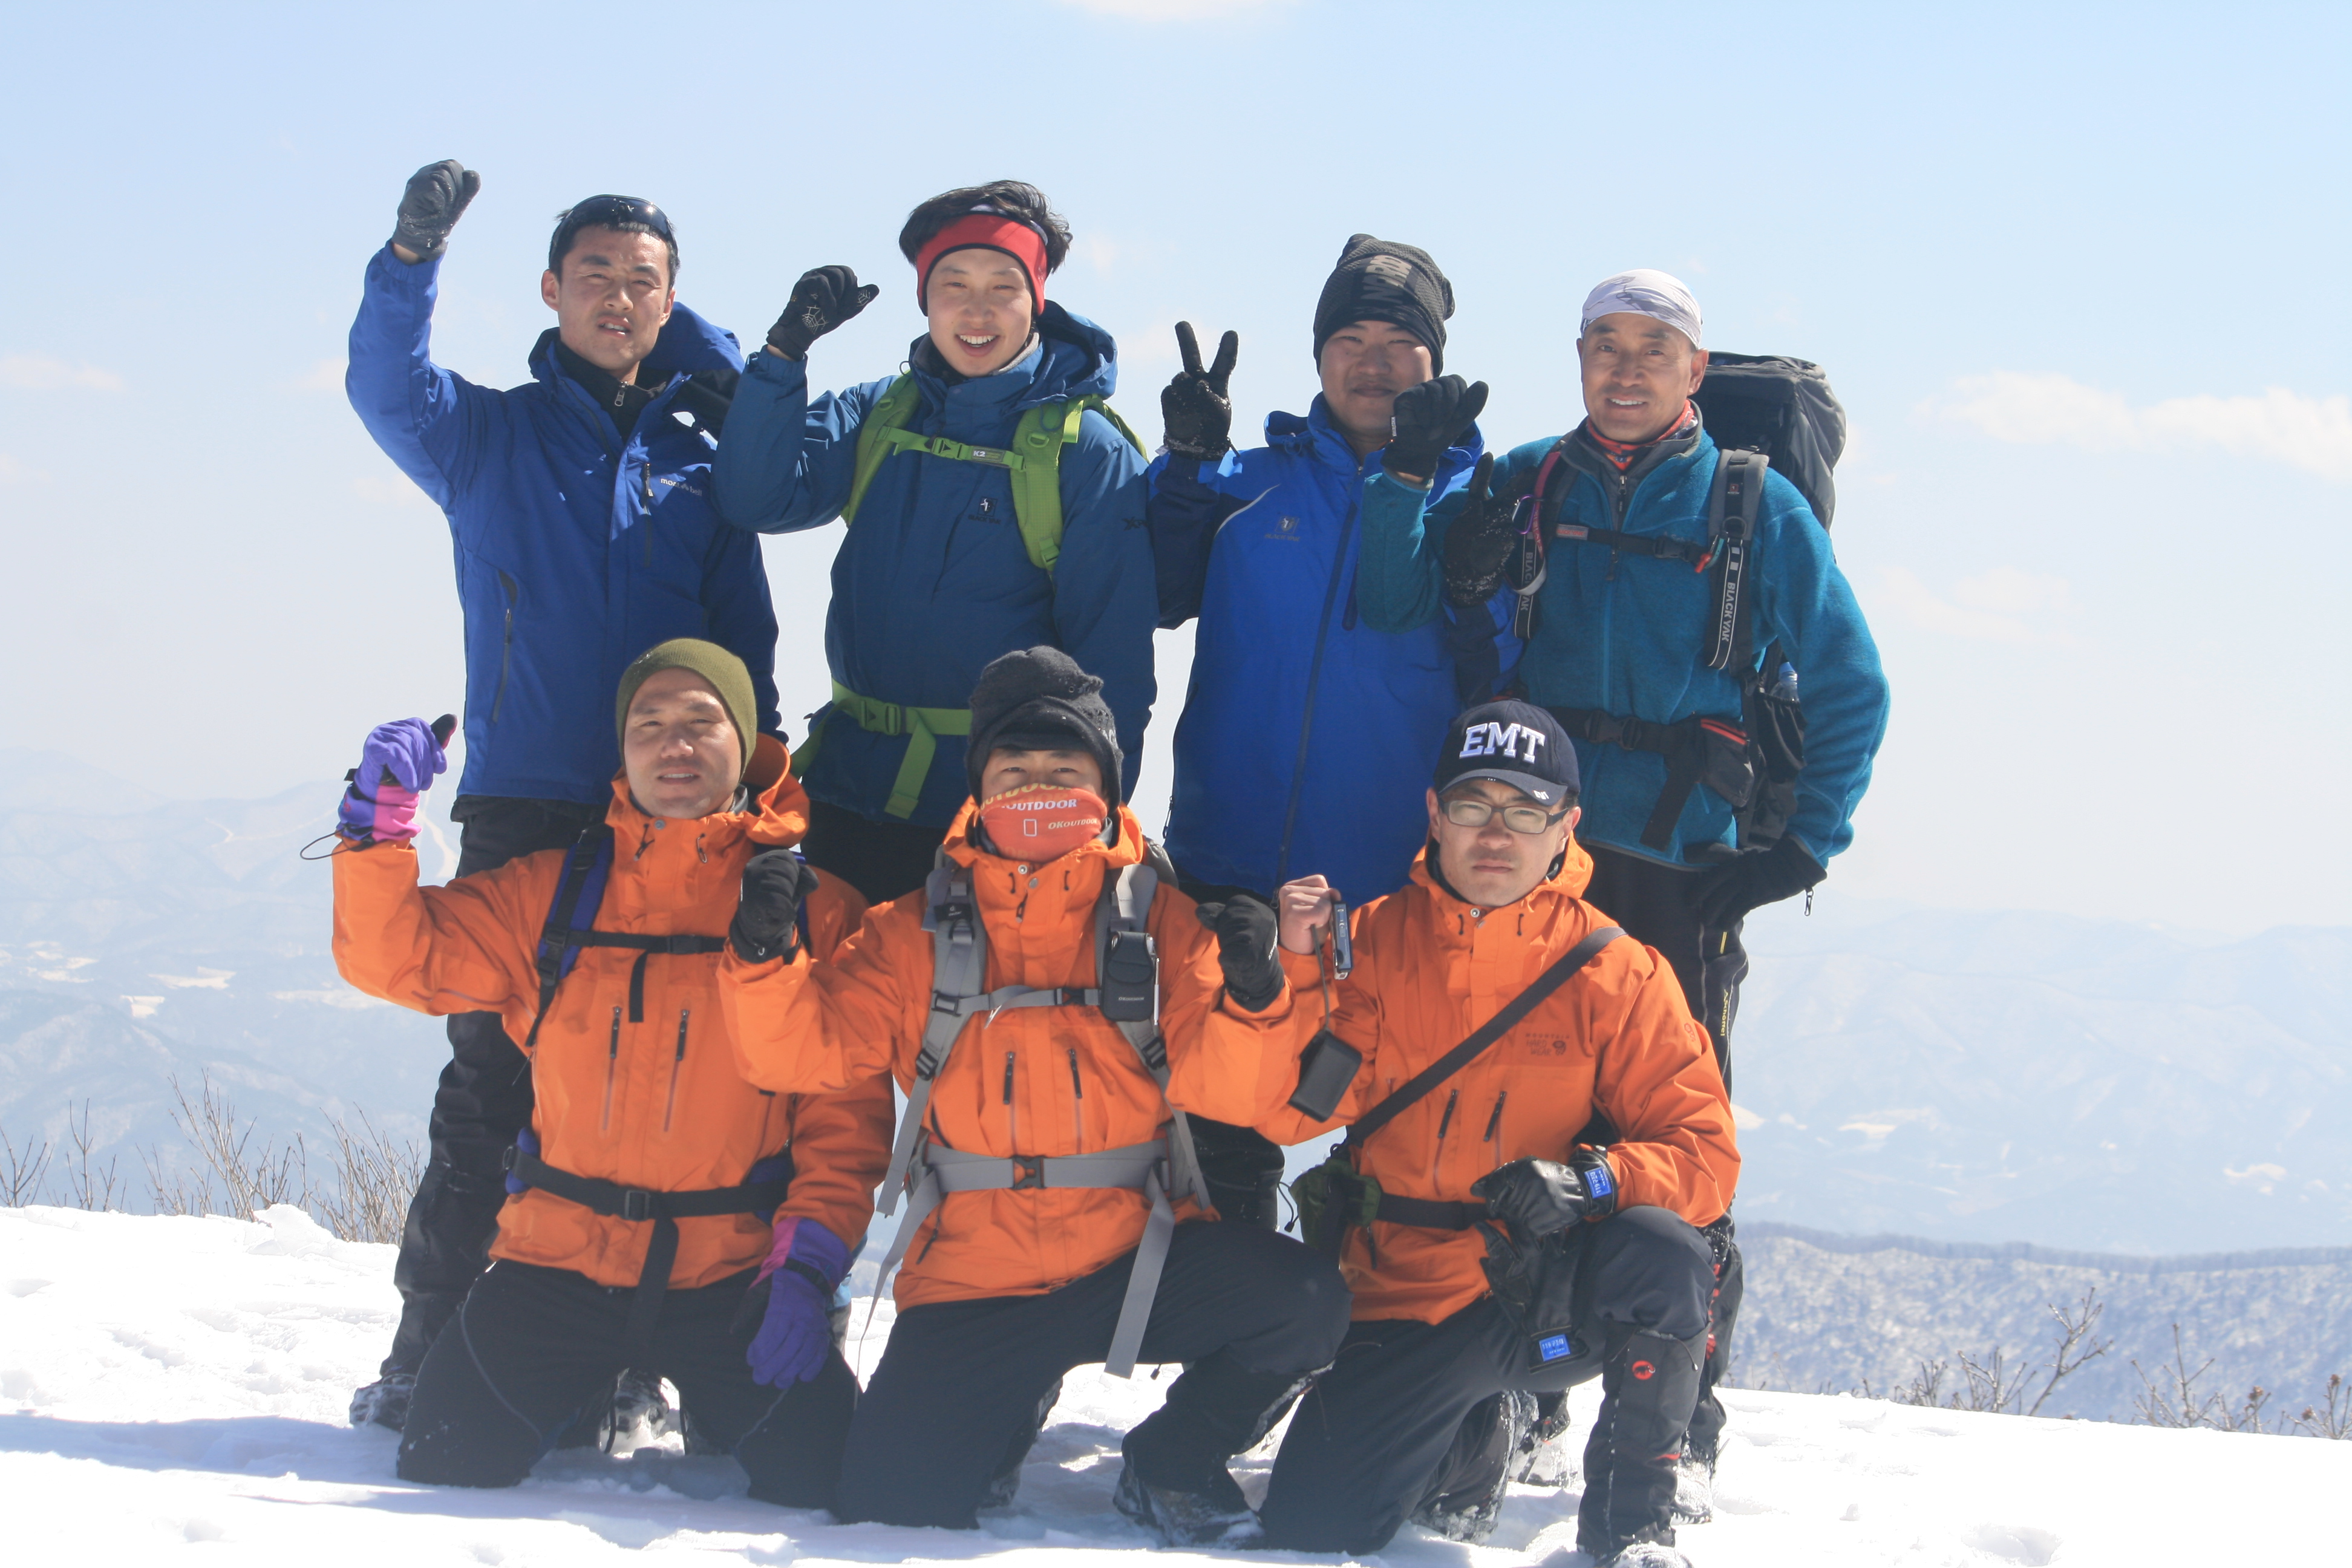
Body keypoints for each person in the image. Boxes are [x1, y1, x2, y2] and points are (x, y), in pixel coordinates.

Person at [1356, 269, 1890, 1511]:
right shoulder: (1531, 480)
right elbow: (1397, 600)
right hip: (1531, 865)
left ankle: (1677, 1424)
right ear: (1579, 357)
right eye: (1606, 344)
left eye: (1655, 347)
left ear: (1695, 370)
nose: (1628, 366)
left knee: (1675, 1135)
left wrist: (1798, 850)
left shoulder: (1752, 505)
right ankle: (1531, 1387)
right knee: (1523, 1124)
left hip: (1681, 871)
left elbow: (1851, 684)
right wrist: (1421, 506)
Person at [718, 647, 1350, 1543]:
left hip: (1138, 1257)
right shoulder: (906, 932)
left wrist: (1258, 997)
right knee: (889, 1511)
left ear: (1107, 788)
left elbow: (1235, 1093)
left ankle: (1174, 1459)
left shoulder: (1164, 921)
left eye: (1065, 772)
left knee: (1309, 1302)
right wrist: (761, 955)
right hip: (974, 1281)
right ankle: (1008, 1407)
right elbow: (800, 1054)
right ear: (979, 789)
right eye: (1015, 772)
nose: (1039, 791)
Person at [343, 160, 783, 1430]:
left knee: (665, 1095)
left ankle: (628, 1362)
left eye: (643, 282)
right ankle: (431, 1345)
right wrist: (409, 262)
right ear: (549, 290)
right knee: (492, 1086)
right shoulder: (489, 437)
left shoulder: (706, 461)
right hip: (531, 801)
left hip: (677, 821)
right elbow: (385, 387)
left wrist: (761, 805)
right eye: (594, 274)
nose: (617, 297)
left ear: (672, 305)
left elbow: (745, 650)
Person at [1180, 701, 1739, 1567]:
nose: (1497, 835)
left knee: (1665, 1253)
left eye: (1526, 811)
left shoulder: (1617, 970)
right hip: (1406, 1293)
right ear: (1435, 816)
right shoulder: (1365, 946)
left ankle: (1632, 1531)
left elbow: (1704, 1151)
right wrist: (1276, 983)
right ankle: (1474, 1438)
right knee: (1311, 1531)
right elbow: (1283, 1111)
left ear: (1566, 827)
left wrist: (1592, 1180)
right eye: (1474, 806)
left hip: (1545, 1295)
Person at [330, 640, 888, 1506]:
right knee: (444, 1460)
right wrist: (378, 828)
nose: (675, 745)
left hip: (730, 1279)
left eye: (701, 722)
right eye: (649, 725)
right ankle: (593, 1400)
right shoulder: (554, 893)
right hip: (557, 1266)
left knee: (828, 1480)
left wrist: (806, 1268)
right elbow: (398, 957)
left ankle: (676, 1400)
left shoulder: (815, 913)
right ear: (623, 752)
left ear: (746, 744)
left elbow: (843, 1128)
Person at [1143, 234, 1510, 1227]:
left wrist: (1478, 585)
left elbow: (1501, 681)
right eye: (1349, 339)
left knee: (1392, 1149)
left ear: (1436, 361)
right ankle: (1241, 1308)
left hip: (1390, 894)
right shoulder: (1249, 482)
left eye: (1398, 343)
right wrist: (1185, 465)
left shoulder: (1479, 503)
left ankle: (1373, 1317)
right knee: (1219, 1139)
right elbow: (1159, 587)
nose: (1372, 363)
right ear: (1316, 356)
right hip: (1229, 866)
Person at [712, 181, 1156, 907]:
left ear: (1036, 301)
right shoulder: (880, 414)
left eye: (1004, 287)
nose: (977, 311)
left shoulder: (1086, 452)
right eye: (954, 286)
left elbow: (1114, 665)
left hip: (994, 820)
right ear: (926, 300)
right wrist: (783, 358)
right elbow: (754, 499)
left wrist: (1095, 830)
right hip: (845, 793)